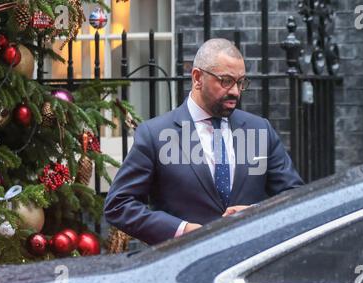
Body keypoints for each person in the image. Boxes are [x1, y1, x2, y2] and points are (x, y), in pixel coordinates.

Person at [104, 38, 304, 245]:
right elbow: (119, 204)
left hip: (248, 264)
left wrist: (258, 212)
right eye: (226, 81)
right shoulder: (155, 134)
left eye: (241, 82)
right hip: (182, 264)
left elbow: (296, 196)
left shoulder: (260, 130)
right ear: (198, 77)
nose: (235, 91)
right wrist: (182, 230)